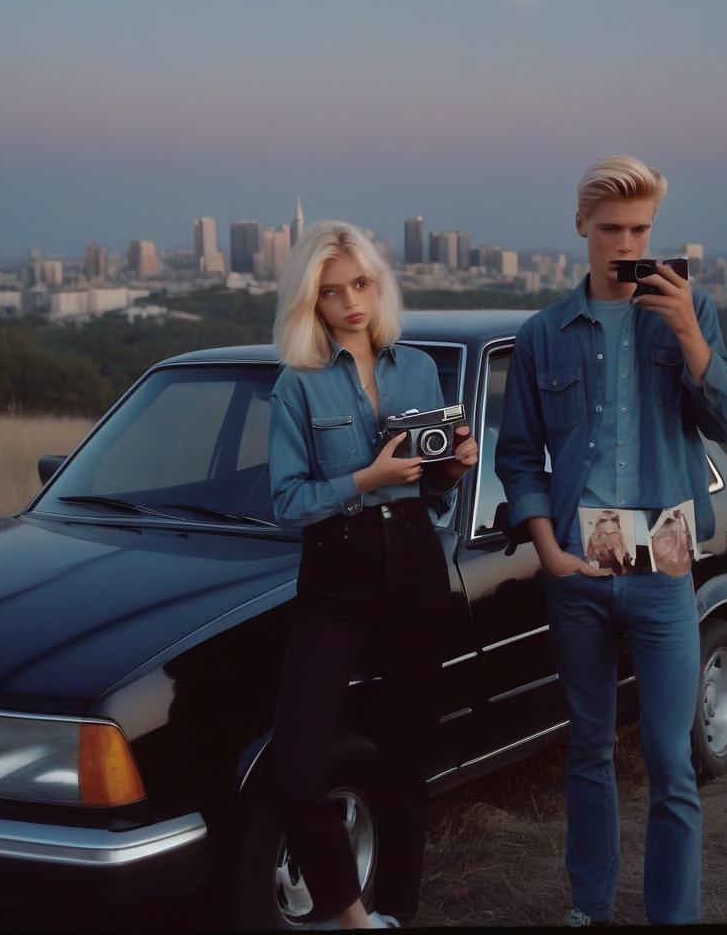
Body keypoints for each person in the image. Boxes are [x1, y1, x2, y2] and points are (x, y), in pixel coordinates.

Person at [495, 156, 727, 925]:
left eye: (639, 229)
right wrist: (544, 547)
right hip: (577, 567)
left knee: (672, 761)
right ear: (581, 228)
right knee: (589, 749)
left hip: (664, 563)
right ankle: (590, 907)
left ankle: (673, 916)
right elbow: (517, 456)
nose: (625, 243)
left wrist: (688, 337)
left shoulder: (690, 308)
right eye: (610, 229)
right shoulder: (543, 334)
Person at [266, 220, 478, 930]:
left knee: (407, 759)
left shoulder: (417, 368)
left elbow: (433, 491)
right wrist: (367, 477)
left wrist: (451, 469)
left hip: (416, 561)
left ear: (377, 285)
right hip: (336, 570)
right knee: (295, 771)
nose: (350, 302)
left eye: (360, 284)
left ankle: (398, 913)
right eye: (331, 292)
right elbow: (288, 501)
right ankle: (351, 917)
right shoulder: (296, 386)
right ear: (311, 302)